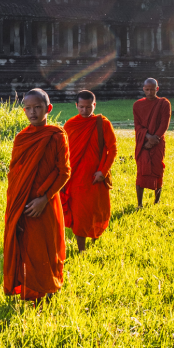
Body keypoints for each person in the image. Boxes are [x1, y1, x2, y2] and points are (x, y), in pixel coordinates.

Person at [3, 88, 71, 303]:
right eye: (28, 109)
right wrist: (16, 203)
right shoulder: (21, 138)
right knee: (25, 246)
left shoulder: (57, 135)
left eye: (37, 108)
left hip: (45, 203)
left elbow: (65, 172)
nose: (32, 113)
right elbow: (15, 173)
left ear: (48, 108)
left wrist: (45, 198)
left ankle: (47, 290)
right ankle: (31, 294)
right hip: (21, 202)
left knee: (45, 248)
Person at [61, 89, 117, 252]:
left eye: (88, 107)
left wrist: (103, 172)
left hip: (96, 176)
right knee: (80, 214)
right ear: (76, 106)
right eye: (82, 107)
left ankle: (94, 242)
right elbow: (63, 152)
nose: (85, 111)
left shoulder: (102, 123)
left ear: (94, 105)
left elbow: (112, 149)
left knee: (96, 211)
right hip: (76, 177)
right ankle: (82, 249)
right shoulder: (70, 125)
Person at [133, 78, 171, 207]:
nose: (149, 92)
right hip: (143, 142)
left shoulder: (164, 103)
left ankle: (157, 201)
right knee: (141, 171)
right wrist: (148, 137)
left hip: (158, 141)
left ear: (157, 89)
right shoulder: (137, 105)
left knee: (157, 169)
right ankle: (139, 204)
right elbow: (137, 125)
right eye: (147, 89)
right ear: (143, 89)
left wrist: (155, 138)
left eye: (152, 89)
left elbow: (164, 124)